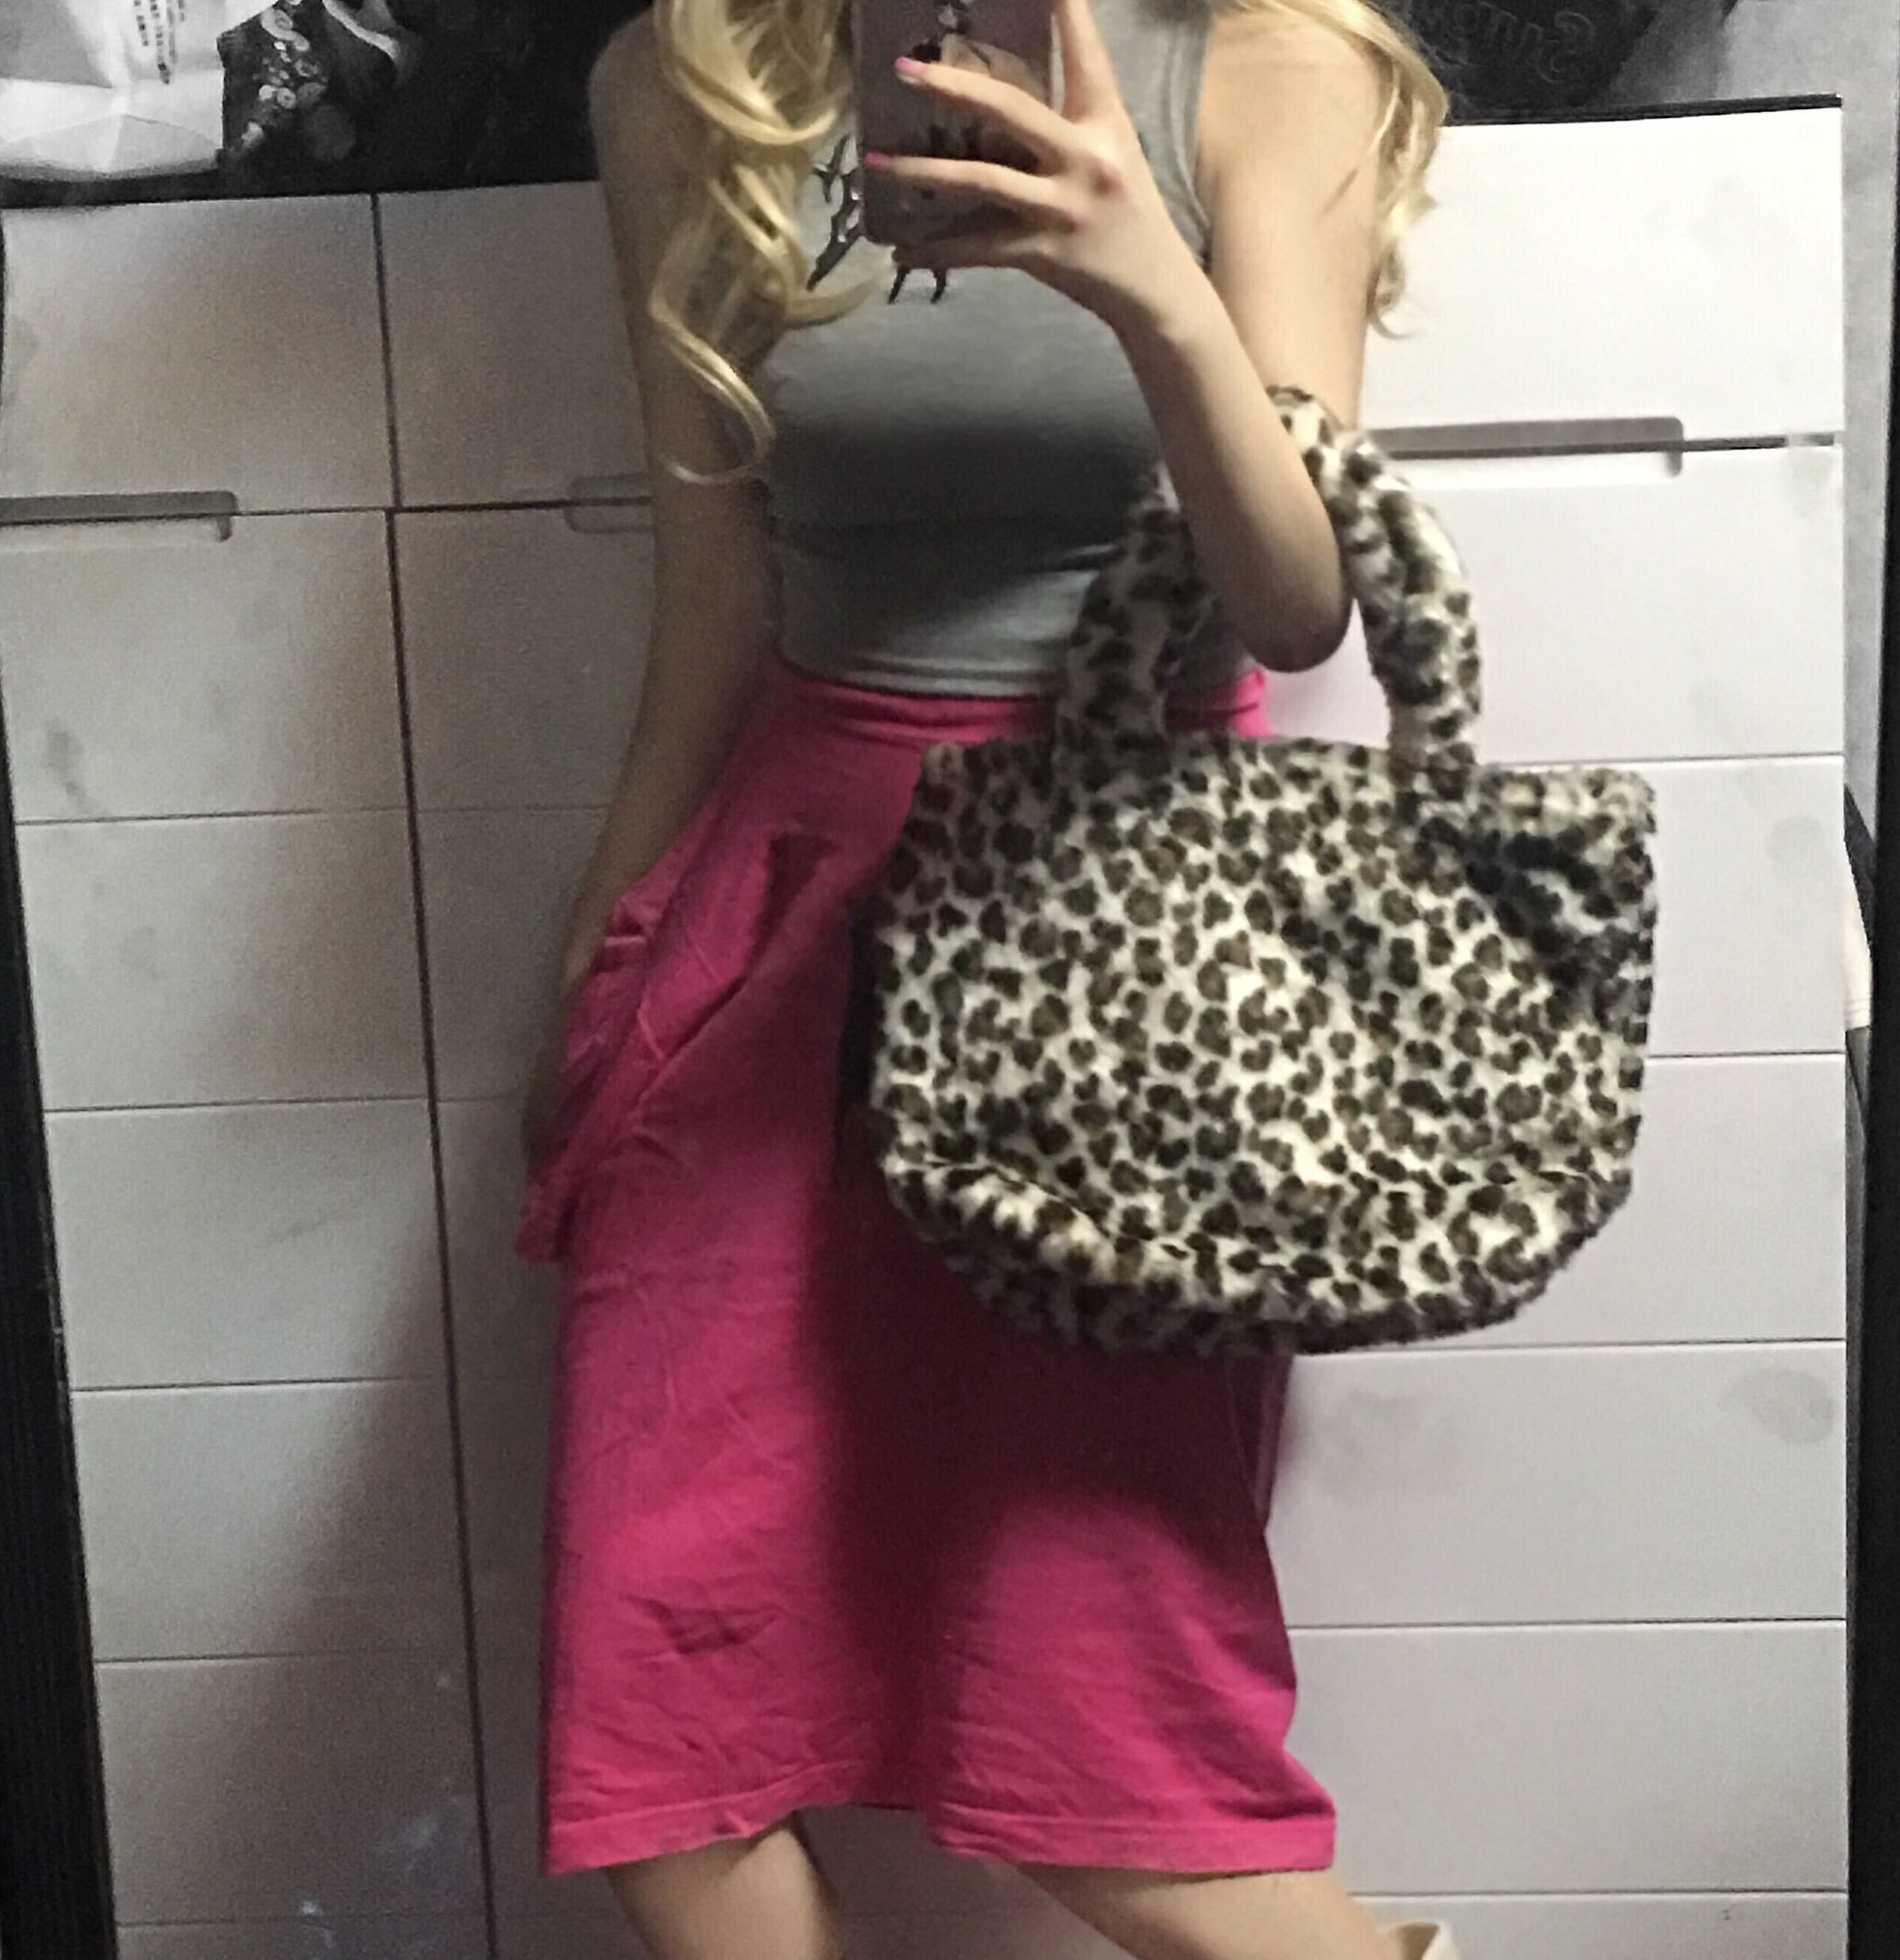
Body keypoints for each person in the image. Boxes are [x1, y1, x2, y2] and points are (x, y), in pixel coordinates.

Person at [513, 0, 1454, 1953]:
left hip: (1121, 951)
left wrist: (1145, 278)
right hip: (780, 928)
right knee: (659, 1732)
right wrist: (612, 965)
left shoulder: (1275, 64)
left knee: (1107, 1737)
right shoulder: (692, 84)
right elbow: (714, 605)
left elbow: (1299, 603)